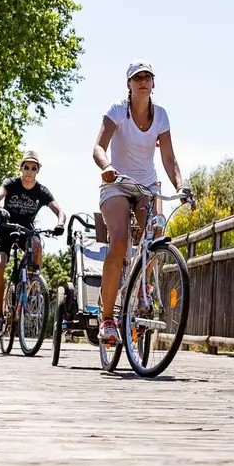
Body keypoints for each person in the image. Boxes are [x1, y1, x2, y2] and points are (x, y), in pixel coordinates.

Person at [92, 60, 188, 349]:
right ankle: (107, 318)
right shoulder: (117, 111)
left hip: (146, 186)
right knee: (119, 241)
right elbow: (98, 147)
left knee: (158, 231)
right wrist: (106, 166)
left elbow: (169, 159)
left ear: (153, 84)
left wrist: (181, 187)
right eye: (137, 77)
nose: (143, 81)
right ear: (129, 85)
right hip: (117, 183)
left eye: (147, 77)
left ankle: (141, 282)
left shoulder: (161, 117)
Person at [0, 149, 66, 334]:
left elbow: (60, 212)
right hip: (6, 229)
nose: (29, 171)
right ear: (21, 168)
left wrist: (60, 224)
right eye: (26, 167)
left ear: (37, 170)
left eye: (34, 168)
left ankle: (33, 286)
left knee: (37, 246)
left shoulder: (41, 191)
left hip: (26, 230)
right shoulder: (11, 183)